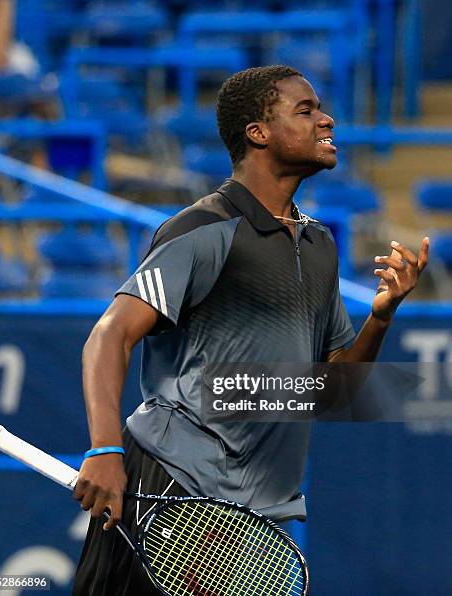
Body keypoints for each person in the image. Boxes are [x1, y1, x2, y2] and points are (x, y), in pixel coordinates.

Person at [72, 65, 429, 595]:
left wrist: (381, 317)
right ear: (258, 133)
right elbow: (109, 335)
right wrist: (104, 450)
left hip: (253, 516)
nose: (326, 120)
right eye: (305, 111)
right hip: (173, 487)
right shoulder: (202, 228)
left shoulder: (319, 245)